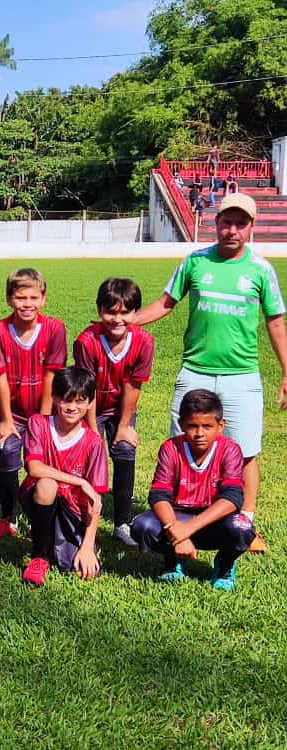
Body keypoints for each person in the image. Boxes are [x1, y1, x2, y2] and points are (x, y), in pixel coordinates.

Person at [136, 193, 287, 554]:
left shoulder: (261, 269)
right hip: (195, 371)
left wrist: (286, 371)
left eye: (240, 224)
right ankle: (180, 520)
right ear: (214, 223)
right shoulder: (195, 262)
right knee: (183, 447)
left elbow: (276, 322)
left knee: (246, 451)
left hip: (242, 376)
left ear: (251, 228)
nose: (231, 230)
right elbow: (165, 304)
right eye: (226, 222)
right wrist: (129, 321)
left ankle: (244, 523)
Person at [131, 389, 255, 591]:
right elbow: (158, 495)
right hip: (177, 517)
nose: (199, 433)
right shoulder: (170, 448)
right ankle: (173, 561)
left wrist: (188, 530)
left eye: (207, 426)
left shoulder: (230, 449)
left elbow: (232, 498)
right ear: (181, 425)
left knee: (242, 528)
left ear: (220, 426)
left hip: (213, 521)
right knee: (142, 525)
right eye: (192, 426)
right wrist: (175, 528)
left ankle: (224, 565)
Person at [0, 267, 68, 540]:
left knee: (42, 462)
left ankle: (38, 517)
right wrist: (6, 420)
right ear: (10, 299)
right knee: (7, 455)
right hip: (15, 415)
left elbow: (50, 376)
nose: (27, 304)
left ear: (44, 298)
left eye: (33, 298)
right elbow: (1, 379)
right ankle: (7, 517)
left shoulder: (55, 329)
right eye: (21, 298)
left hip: (46, 413)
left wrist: (42, 422)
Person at [72, 278, 154, 546]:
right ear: (99, 311)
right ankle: (80, 517)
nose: (117, 319)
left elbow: (133, 385)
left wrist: (124, 426)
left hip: (122, 409)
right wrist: (93, 430)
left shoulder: (144, 342)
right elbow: (87, 388)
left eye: (125, 312)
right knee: (88, 458)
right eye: (111, 311)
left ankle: (122, 522)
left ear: (135, 313)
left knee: (124, 452)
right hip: (91, 407)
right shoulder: (86, 342)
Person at [19, 367, 108, 586]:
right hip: (38, 496)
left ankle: (54, 536)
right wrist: (80, 481)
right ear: (55, 398)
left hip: (73, 509)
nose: (72, 407)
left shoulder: (94, 442)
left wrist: (87, 547)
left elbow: (95, 501)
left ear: (89, 403)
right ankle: (39, 556)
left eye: (79, 401)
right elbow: (34, 468)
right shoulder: (38, 423)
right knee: (47, 484)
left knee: (72, 566)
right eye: (66, 400)